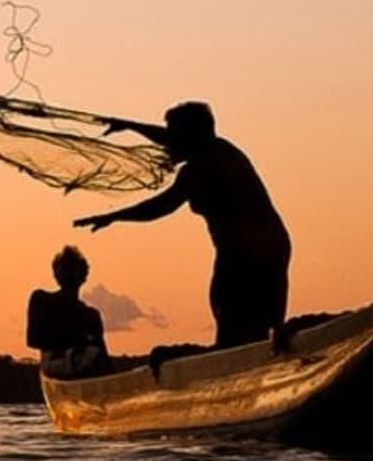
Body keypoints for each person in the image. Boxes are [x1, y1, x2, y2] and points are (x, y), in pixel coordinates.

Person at [74, 102, 291, 348]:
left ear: (189, 136)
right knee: (261, 327)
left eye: (175, 134)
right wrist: (130, 126)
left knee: (234, 329)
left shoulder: (199, 169)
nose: (168, 143)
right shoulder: (222, 149)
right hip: (272, 247)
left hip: (245, 257)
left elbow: (162, 205)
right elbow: (167, 138)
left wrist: (112, 216)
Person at [26, 246, 112, 378]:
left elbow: (103, 355)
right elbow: (33, 339)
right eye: (65, 269)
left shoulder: (90, 315)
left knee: (94, 356)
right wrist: (73, 348)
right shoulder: (42, 299)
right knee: (86, 356)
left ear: (83, 276)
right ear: (56, 274)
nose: (68, 274)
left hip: (84, 362)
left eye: (72, 269)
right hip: (55, 361)